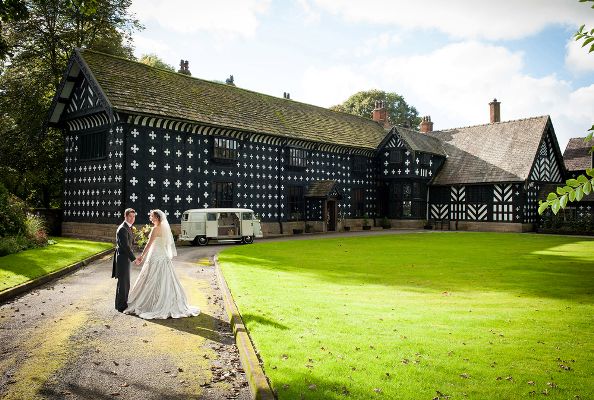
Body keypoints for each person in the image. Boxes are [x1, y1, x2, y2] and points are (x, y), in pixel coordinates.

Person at [124, 209, 200, 319]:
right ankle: (171, 302)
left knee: (151, 278)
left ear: (158, 218)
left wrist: (142, 256)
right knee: (167, 279)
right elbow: (165, 244)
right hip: (163, 255)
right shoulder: (164, 229)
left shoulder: (155, 229)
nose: (151, 218)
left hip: (155, 255)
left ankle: (152, 305)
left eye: (153, 216)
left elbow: (149, 245)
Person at [112, 208, 141, 312]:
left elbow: (130, 244)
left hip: (125, 258)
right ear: (125, 216)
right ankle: (121, 306)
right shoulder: (122, 229)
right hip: (123, 259)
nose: (132, 219)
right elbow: (126, 247)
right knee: (124, 283)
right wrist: (134, 259)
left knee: (124, 283)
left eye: (134, 217)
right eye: (130, 216)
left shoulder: (128, 227)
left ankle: (119, 304)